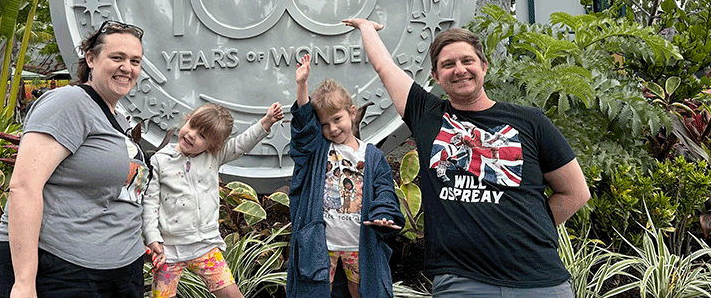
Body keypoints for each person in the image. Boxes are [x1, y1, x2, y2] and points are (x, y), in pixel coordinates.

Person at [343, 19, 591, 297]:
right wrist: (366, 27)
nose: (459, 70)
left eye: (467, 61)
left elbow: (575, 192)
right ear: (436, 76)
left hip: (539, 280)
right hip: (462, 282)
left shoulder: (530, 122)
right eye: (448, 65)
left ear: (484, 66)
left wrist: (523, 231)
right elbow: (384, 67)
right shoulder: (427, 115)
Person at [0, 20, 149, 298]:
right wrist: (24, 284)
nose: (128, 68)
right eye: (117, 57)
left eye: (135, 61)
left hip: (119, 271)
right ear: (91, 59)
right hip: (62, 270)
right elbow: (24, 188)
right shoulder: (69, 103)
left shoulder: (119, 118)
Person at [287, 54, 404, 298]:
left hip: (358, 243)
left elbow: (384, 190)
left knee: (360, 290)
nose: (332, 129)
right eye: (325, 124)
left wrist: (383, 215)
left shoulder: (372, 156)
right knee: (317, 290)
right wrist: (302, 85)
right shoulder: (318, 150)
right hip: (321, 244)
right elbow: (304, 127)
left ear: (352, 113)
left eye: (337, 119)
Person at [143, 101, 284, 298]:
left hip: (205, 246)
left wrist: (266, 122)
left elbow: (241, 143)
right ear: (186, 120)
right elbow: (150, 202)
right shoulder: (160, 160)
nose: (192, 135)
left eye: (202, 136)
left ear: (212, 145)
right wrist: (152, 237)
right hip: (169, 250)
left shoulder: (212, 157)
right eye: (192, 126)